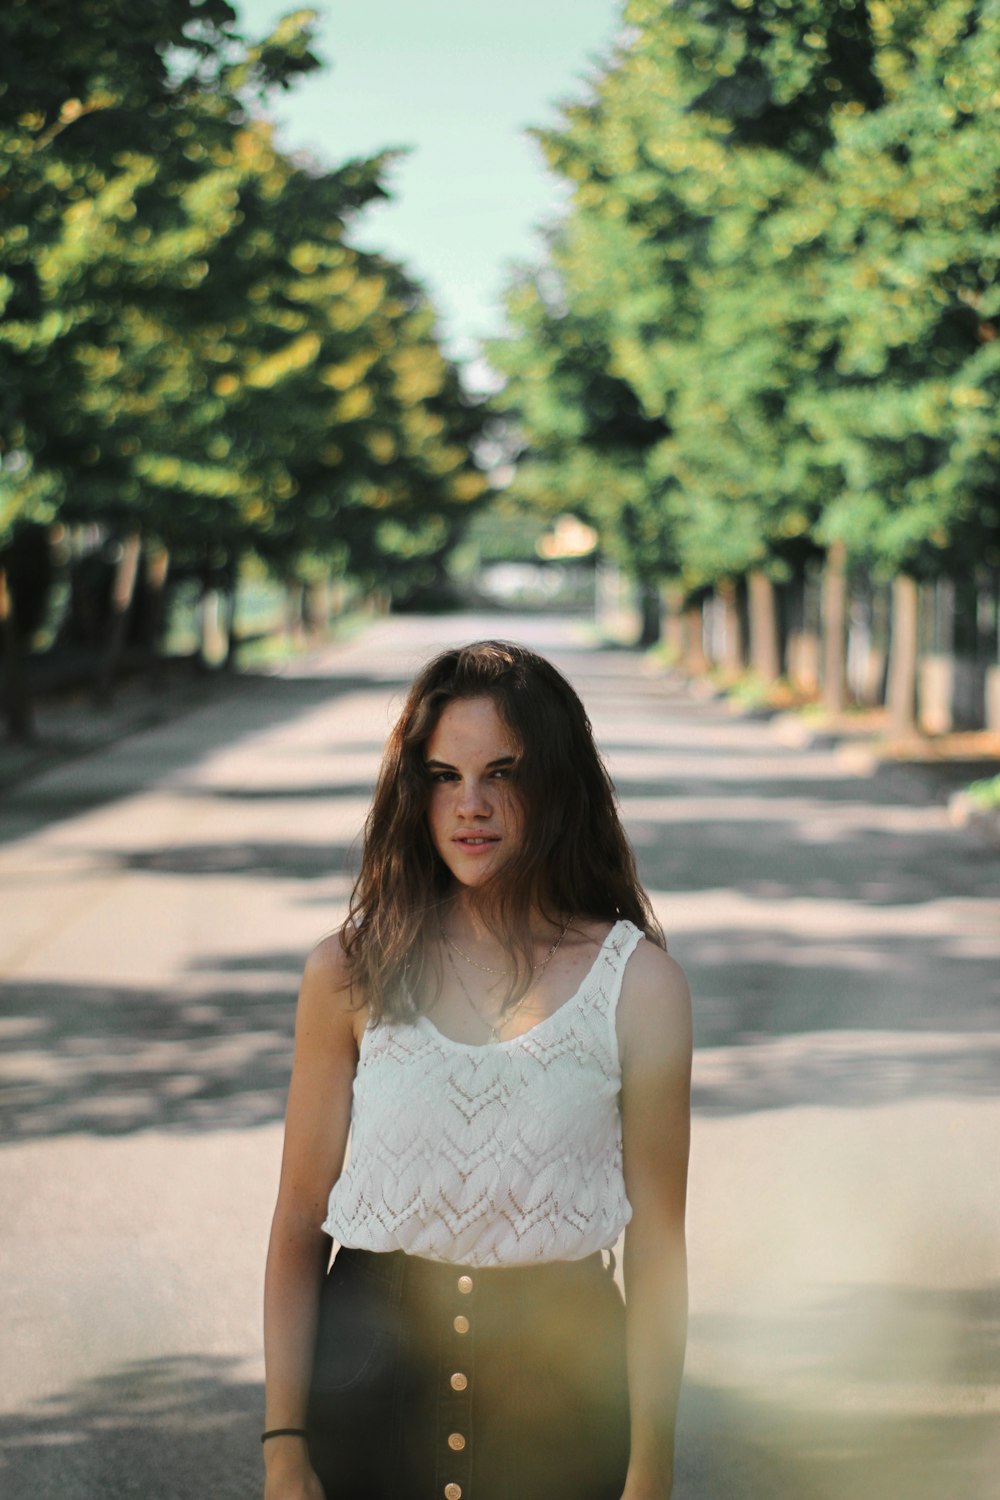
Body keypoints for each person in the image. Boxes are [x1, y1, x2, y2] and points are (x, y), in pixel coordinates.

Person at [262, 640, 692, 1500]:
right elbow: (300, 1217)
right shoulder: (347, 974)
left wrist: (650, 1469)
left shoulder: (638, 986)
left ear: (556, 787)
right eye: (443, 777)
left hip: (565, 1404)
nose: (473, 806)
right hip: (370, 1400)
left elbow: (657, 1245)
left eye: (504, 774)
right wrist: (283, 1448)